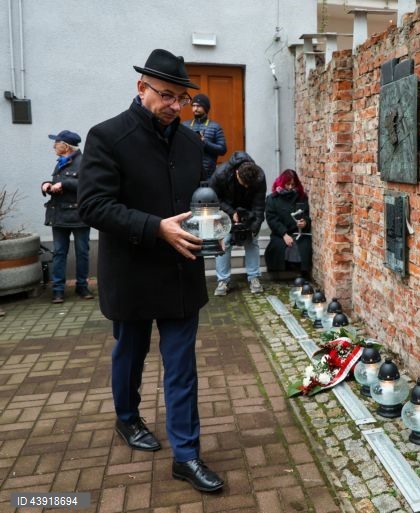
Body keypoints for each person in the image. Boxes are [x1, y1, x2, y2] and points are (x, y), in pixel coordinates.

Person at [77, 49, 223, 493]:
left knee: (181, 367)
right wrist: (155, 227)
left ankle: (186, 456)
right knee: (131, 354)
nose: (175, 106)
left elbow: (195, 200)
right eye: (166, 96)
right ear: (142, 88)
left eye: (182, 98)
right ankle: (127, 419)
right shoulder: (106, 137)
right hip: (132, 273)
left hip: (181, 273)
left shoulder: (191, 143)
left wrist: (214, 226)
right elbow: (92, 206)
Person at [41, 130, 93, 304]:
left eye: (56, 143)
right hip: (59, 215)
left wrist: (64, 183)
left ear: (65, 146)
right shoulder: (61, 162)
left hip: (79, 216)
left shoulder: (83, 162)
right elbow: (58, 185)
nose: (53, 146)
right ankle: (58, 290)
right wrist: (47, 185)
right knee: (59, 253)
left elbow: (88, 185)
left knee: (82, 253)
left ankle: (82, 287)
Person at [209, 152, 266, 296]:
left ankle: (254, 277)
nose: (246, 186)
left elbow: (259, 205)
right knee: (224, 242)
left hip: (249, 212)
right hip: (224, 210)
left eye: (249, 185)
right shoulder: (220, 174)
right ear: (236, 173)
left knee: (252, 241)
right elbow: (213, 198)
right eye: (243, 183)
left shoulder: (259, 176)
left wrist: (255, 226)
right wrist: (231, 212)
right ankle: (223, 281)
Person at [265, 169, 312, 277]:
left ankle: (300, 273)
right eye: (287, 184)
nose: (290, 187)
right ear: (282, 183)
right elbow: (272, 219)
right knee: (279, 248)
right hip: (280, 233)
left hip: (298, 233)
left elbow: (306, 215)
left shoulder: (301, 197)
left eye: (293, 184)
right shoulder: (272, 199)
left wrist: (304, 223)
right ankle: (282, 273)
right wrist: (284, 234)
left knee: (302, 248)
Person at [187, 93, 226, 180]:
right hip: (189, 173)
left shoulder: (215, 127)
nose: (195, 109)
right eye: (193, 106)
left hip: (208, 175)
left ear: (206, 108)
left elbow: (222, 149)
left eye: (198, 106)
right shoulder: (185, 125)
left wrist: (205, 143)